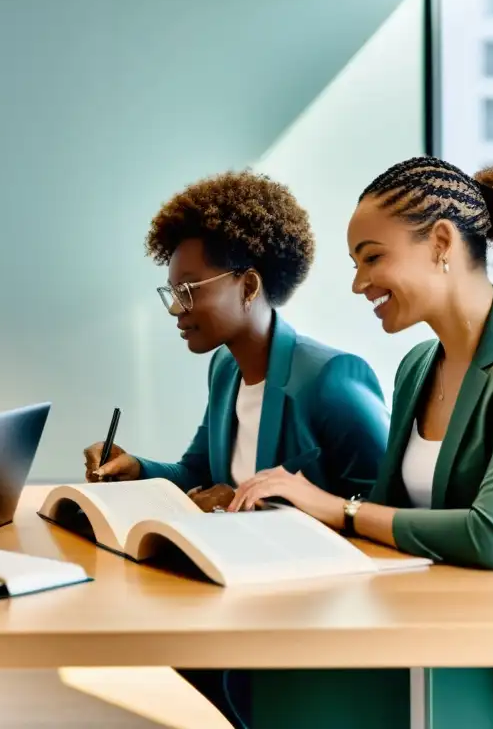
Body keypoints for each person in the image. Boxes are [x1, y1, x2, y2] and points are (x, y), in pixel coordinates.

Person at [81, 170, 392, 728]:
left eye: (189, 289)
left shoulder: (332, 379)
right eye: (170, 291)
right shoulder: (227, 368)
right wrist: (138, 470)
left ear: (248, 286)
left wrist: (260, 511)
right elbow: (198, 471)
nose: (175, 308)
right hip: (240, 597)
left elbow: (382, 507)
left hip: (315, 622)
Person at [227, 156, 493, 724]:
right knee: (262, 672)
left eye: (373, 258)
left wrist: (338, 509)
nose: (360, 284)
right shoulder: (417, 366)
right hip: (421, 629)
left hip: (487, 654)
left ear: (440, 242)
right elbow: (387, 519)